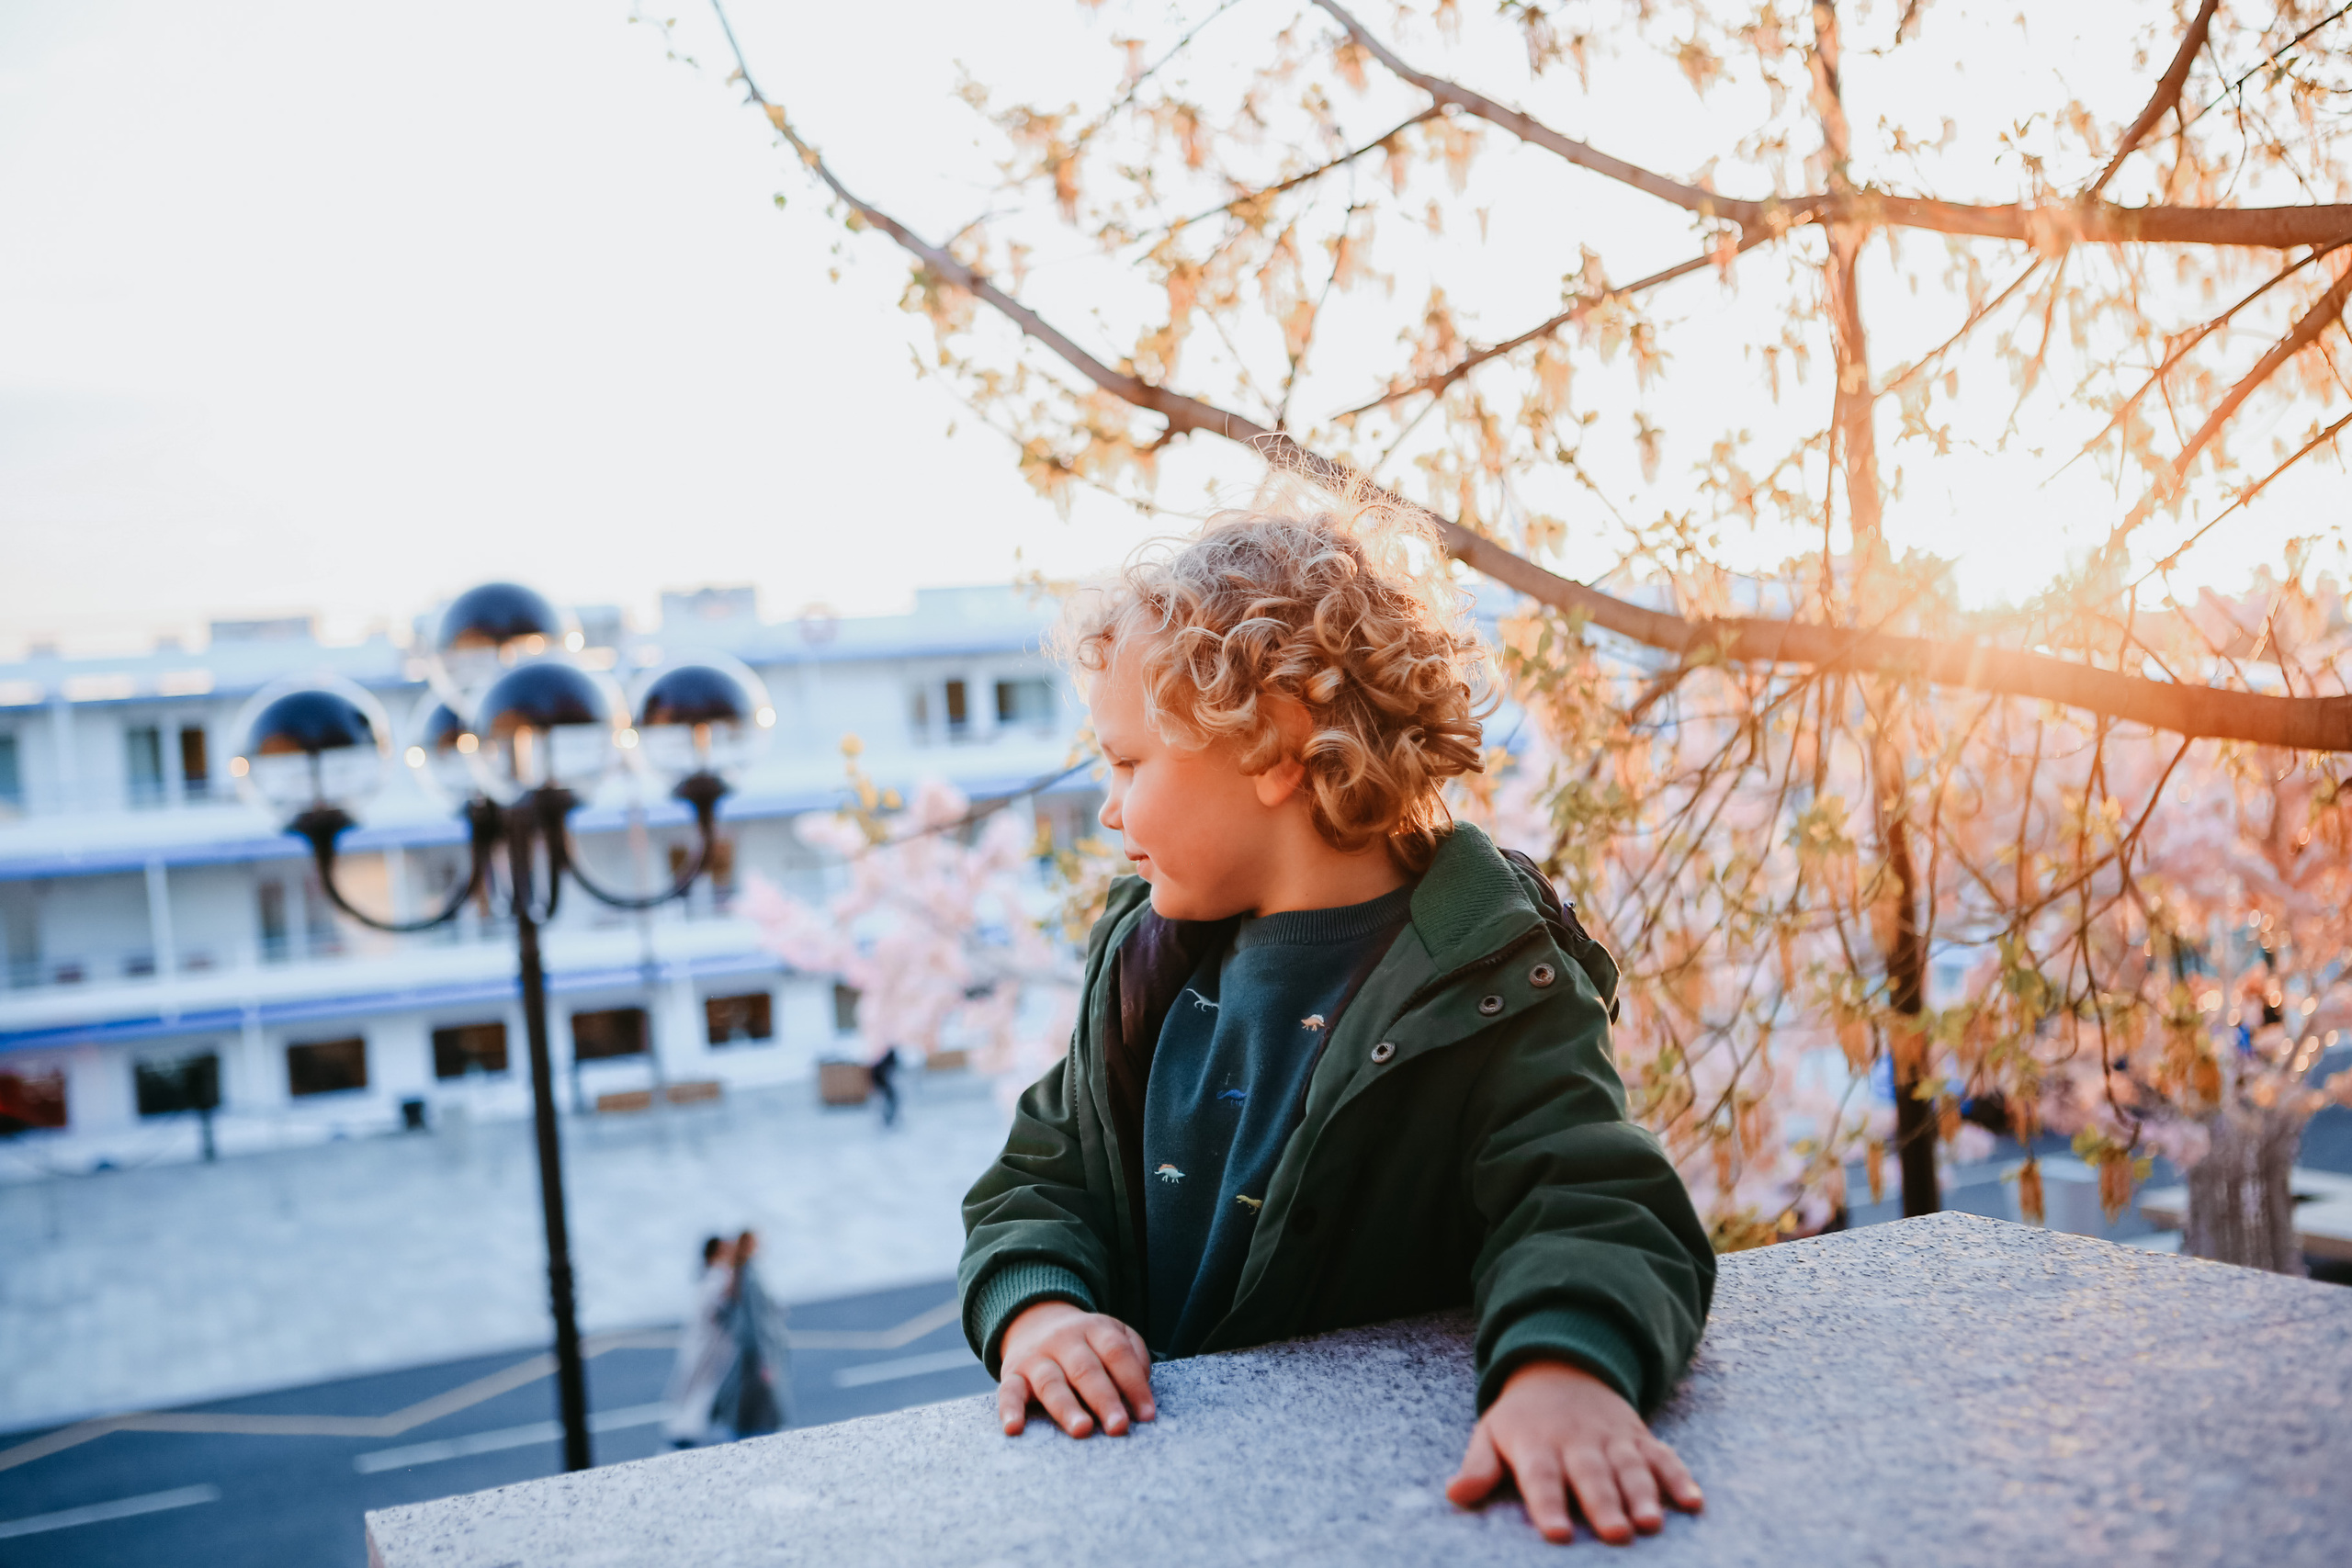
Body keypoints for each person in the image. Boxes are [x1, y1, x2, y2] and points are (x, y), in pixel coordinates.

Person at [957, 488, 1715, 1548]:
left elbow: (1588, 1198)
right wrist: (1042, 1312)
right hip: (1176, 1505)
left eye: (1128, 762)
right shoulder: (1142, 962)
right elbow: (1040, 1181)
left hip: (1386, 1512)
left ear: (1271, 745)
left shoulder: (1482, 974)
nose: (1108, 806)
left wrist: (1563, 1372)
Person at [712, 1228, 791, 1438]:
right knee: (763, 1403)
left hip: (750, 1347)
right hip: (758, 1349)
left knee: (747, 1401)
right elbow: (758, 1320)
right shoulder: (751, 1277)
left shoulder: (742, 1273)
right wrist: (766, 1358)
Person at [661, 1235, 735, 1449]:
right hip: (708, 1345)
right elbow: (715, 1311)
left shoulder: (708, 1277)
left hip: (703, 1343)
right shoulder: (716, 1278)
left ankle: (688, 1428)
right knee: (703, 1387)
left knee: (698, 1386)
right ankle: (688, 1431)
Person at [871, 1045, 902, 1128]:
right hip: (883, 1085)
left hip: (883, 1085)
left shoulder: (884, 1061)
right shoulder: (887, 1062)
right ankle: (888, 1120)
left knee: (890, 1102)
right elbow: (883, 1076)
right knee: (889, 1103)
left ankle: (889, 1119)